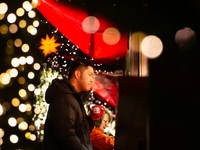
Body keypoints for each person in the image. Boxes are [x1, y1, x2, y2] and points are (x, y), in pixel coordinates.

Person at [43, 58, 104, 150]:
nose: (92, 80)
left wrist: (91, 119)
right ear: (77, 74)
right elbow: (66, 137)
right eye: (89, 75)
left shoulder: (74, 98)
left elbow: (79, 132)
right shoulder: (65, 99)